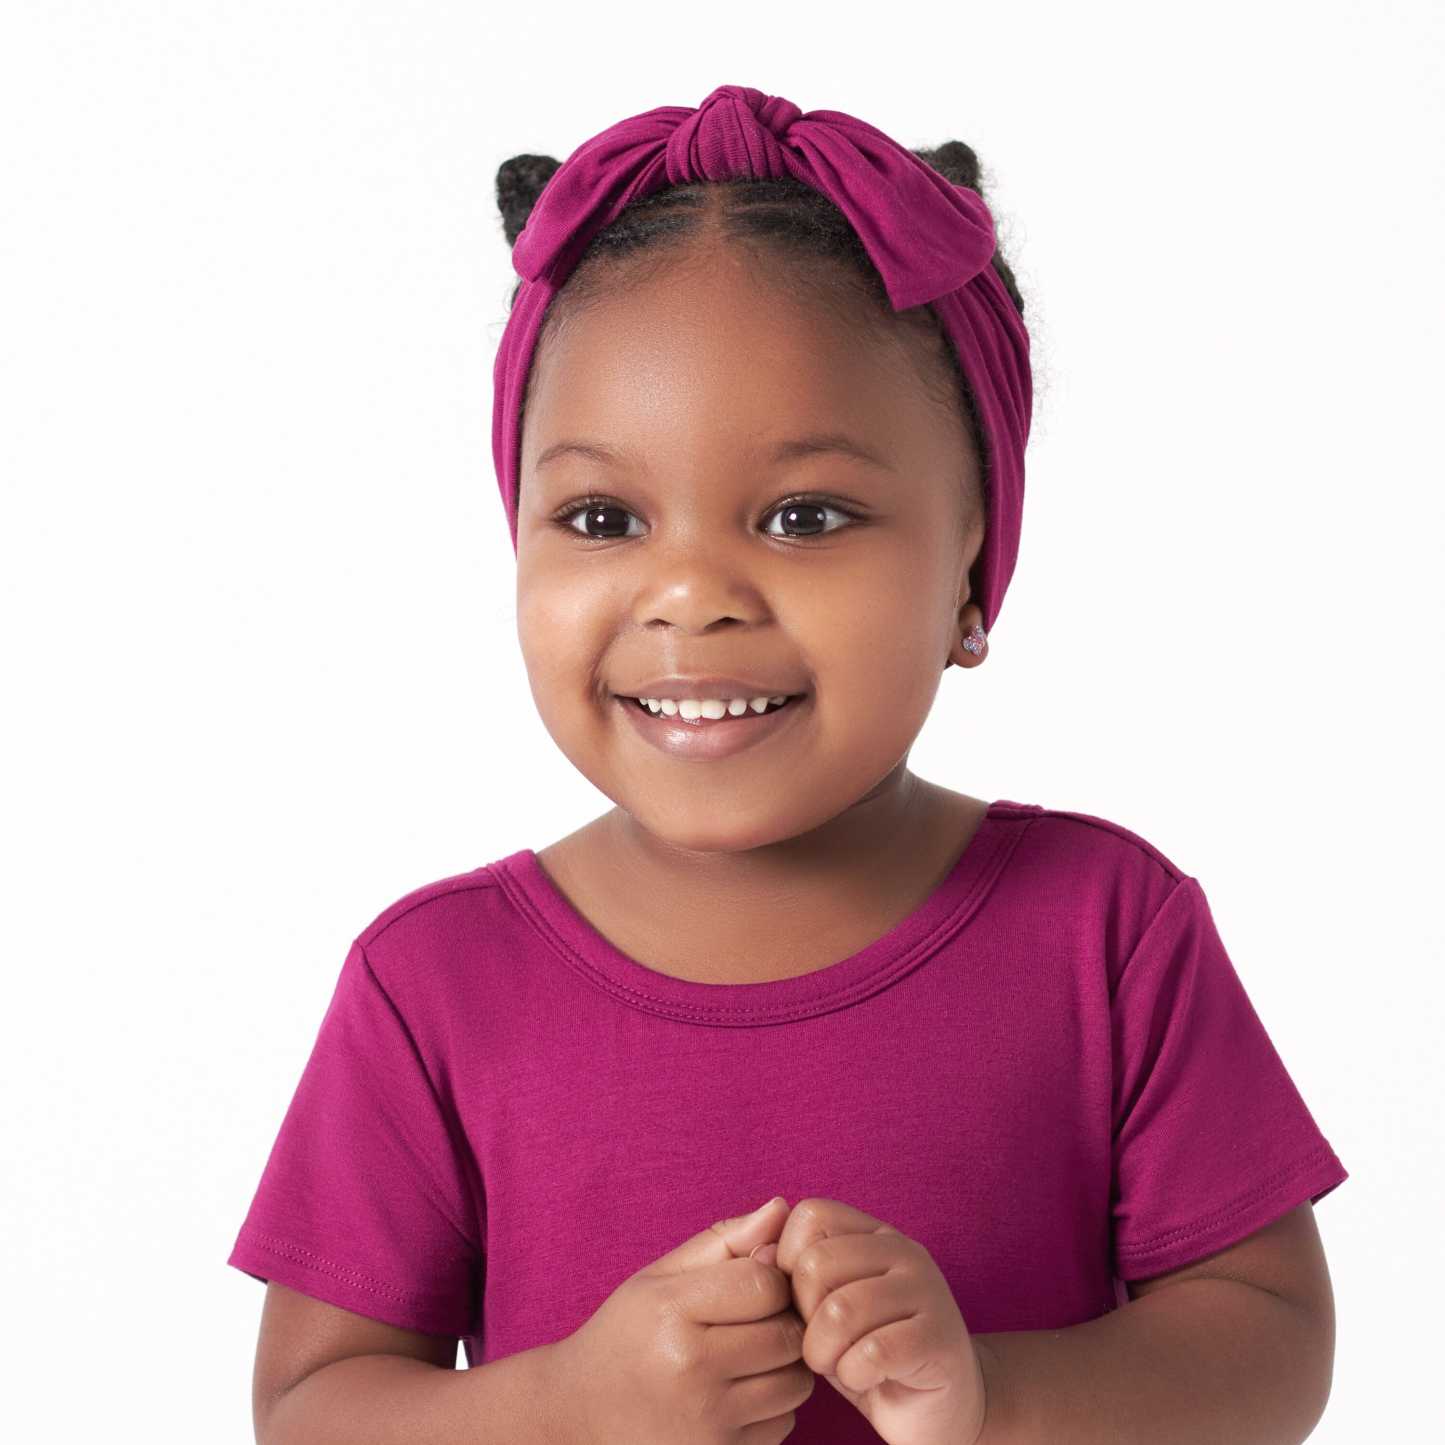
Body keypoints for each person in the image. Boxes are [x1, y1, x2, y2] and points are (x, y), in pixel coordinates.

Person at [228, 85, 1347, 1445]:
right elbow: (311, 1408)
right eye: (603, 517)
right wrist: (572, 1409)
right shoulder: (431, 984)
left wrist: (991, 1397)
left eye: (804, 516)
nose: (690, 595)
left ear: (971, 571)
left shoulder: (1107, 928)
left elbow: (1266, 1336)